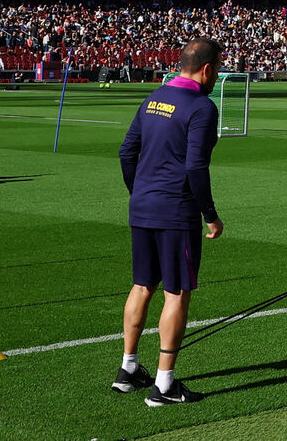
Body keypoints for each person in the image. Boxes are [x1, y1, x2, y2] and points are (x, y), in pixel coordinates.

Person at [115, 38, 224, 407]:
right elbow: (196, 166)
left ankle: (128, 369)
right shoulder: (202, 107)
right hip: (175, 211)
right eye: (218, 68)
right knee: (176, 292)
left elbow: (127, 151)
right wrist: (209, 214)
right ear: (207, 70)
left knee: (142, 284)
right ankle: (163, 385)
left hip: (142, 206)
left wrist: (140, 190)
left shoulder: (153, 98)